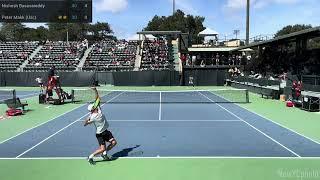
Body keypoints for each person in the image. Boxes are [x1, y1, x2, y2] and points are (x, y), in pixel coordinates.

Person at [84, 87, 117, 165]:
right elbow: (85, 124)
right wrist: (87, 119)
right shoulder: (92, 117)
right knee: (102, 149)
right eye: (93, 106)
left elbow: (98, 98)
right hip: (100, 134)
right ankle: (90, 156)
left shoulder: (98, 108)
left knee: (114, 142)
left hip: (105, 131)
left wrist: (95, 90)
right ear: (92, 109)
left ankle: (104, 153)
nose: (94, 106)